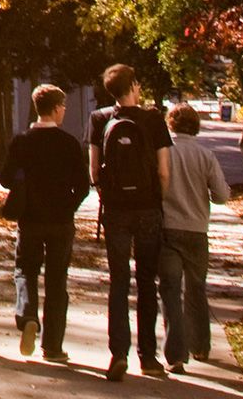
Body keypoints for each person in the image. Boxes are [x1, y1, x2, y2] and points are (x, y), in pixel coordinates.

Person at [88, 63, 172, 381]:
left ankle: (118, 353)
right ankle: (148, 357)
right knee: (147, 283)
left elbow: (94, 170)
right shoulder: (152, 119)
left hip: (116, 211)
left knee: (119, 282)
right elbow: (164, 171)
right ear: (134, 85)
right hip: (148, 208)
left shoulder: (99, 119)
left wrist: (107, 196)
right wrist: (157, 200)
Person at [0, 82, 87, 363]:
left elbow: (4, 178)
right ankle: (53, 345)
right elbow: (83, 185)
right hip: (60, 220)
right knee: (57, 280)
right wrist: (67, 206)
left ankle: (27, 316)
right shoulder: (69, 143)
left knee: (25, 270)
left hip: (31, 218)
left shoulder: (22, 141)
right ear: (57, 108)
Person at [160, 101, 233, 373]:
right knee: (196, 288)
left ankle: (176, 354)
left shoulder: (164, 152)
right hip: (197, 230)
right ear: (196, 127)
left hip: (168, 228)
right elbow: (222, 195)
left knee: (170, 290)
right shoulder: (206, 156)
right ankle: (200, 344)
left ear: (171, 124)